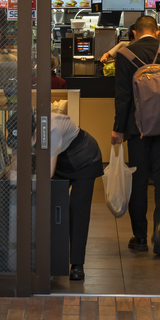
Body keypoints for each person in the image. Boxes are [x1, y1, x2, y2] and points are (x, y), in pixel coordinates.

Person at [111, 15, 160, 258]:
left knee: (139, 180)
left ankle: (140, 237)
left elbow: (122, 97)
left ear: (134, 32)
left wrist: (118, 129)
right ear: (157, 31)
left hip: (137, 129)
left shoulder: (124, 54)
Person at [46, 111, 104, 281]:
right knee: (54, 207)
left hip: (85, 158)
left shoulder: (52, 127)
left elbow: (48, 172)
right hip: (62, 161)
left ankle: (77, 264)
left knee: (77, 209)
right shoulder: (26, 130)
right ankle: (52, 260)